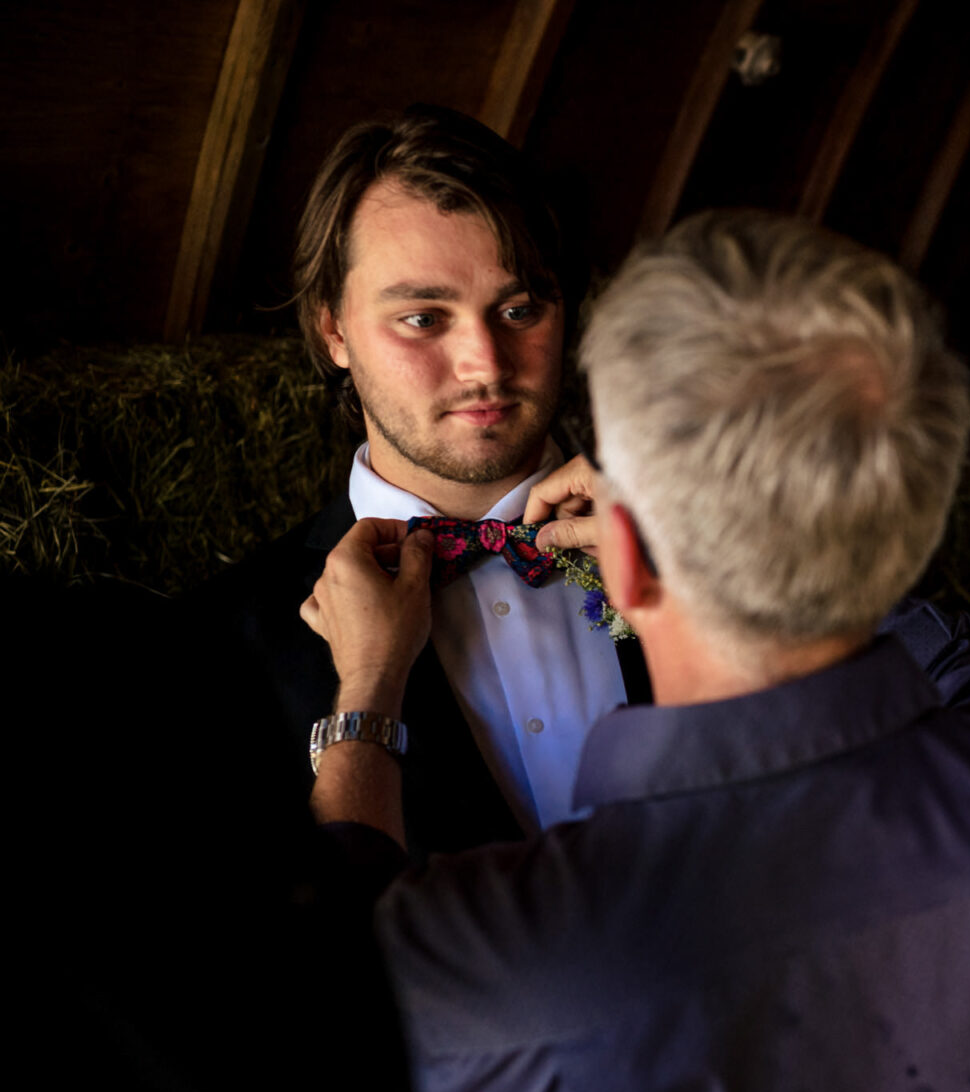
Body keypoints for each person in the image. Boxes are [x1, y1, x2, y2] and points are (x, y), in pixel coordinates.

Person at [301, 210, 970, 1092]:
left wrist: (367, 695)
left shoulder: (499, 952)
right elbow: (958, 658)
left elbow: (332, 986)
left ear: (631, 560)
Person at [201, 104, 645, 856]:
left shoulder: (701, 549)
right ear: (332, 331)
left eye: (518, 308)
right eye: (423, 318)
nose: (487, 364)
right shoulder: (221, 648)